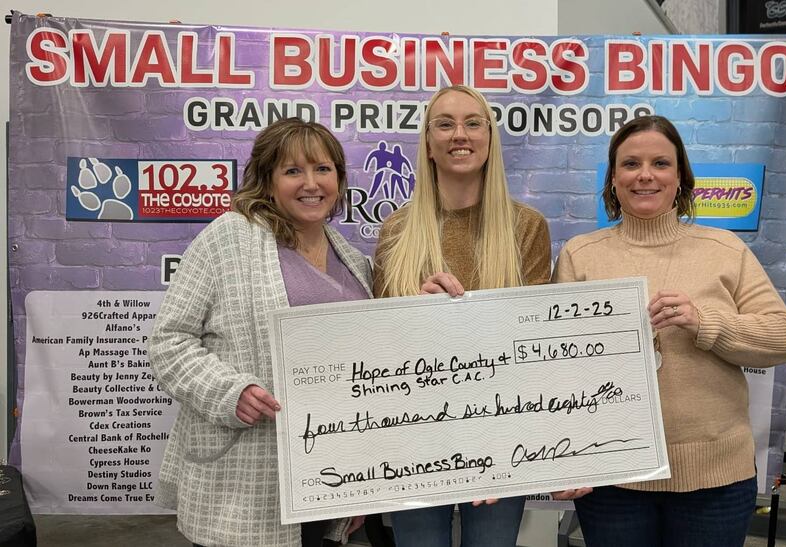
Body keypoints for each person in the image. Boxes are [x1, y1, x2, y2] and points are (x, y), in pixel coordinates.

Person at [553, 114, 786, 546]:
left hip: (715, 479)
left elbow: (781, 339)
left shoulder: (725, 249)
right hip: (614, 477)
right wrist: (567, 456)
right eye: (630, 164)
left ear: (681, 178)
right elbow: (557, 368)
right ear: (613, 179)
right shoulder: (580, 255)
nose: (645, 175)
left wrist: (707, 322)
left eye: (660, 164)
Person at [148, 118, 371, 547]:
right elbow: (168, 341)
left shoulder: (353, 261)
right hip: (244, 479)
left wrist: (363, 481)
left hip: (326, 477)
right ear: (267, 181)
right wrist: (229, 392)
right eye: (292, 171)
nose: (311, 183)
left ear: (339, 181)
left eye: (323, 169)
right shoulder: (229, 237)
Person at [373, 84, 552, 547]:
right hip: (413, 436)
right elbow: (380, 343)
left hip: (500, 435)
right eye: (446, 123)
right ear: (428, 144)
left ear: (490, 139)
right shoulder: (397, 229)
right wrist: (416, 307)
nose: (461, 134)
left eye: (474, 123)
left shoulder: (526, 227)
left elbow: (532, 343)